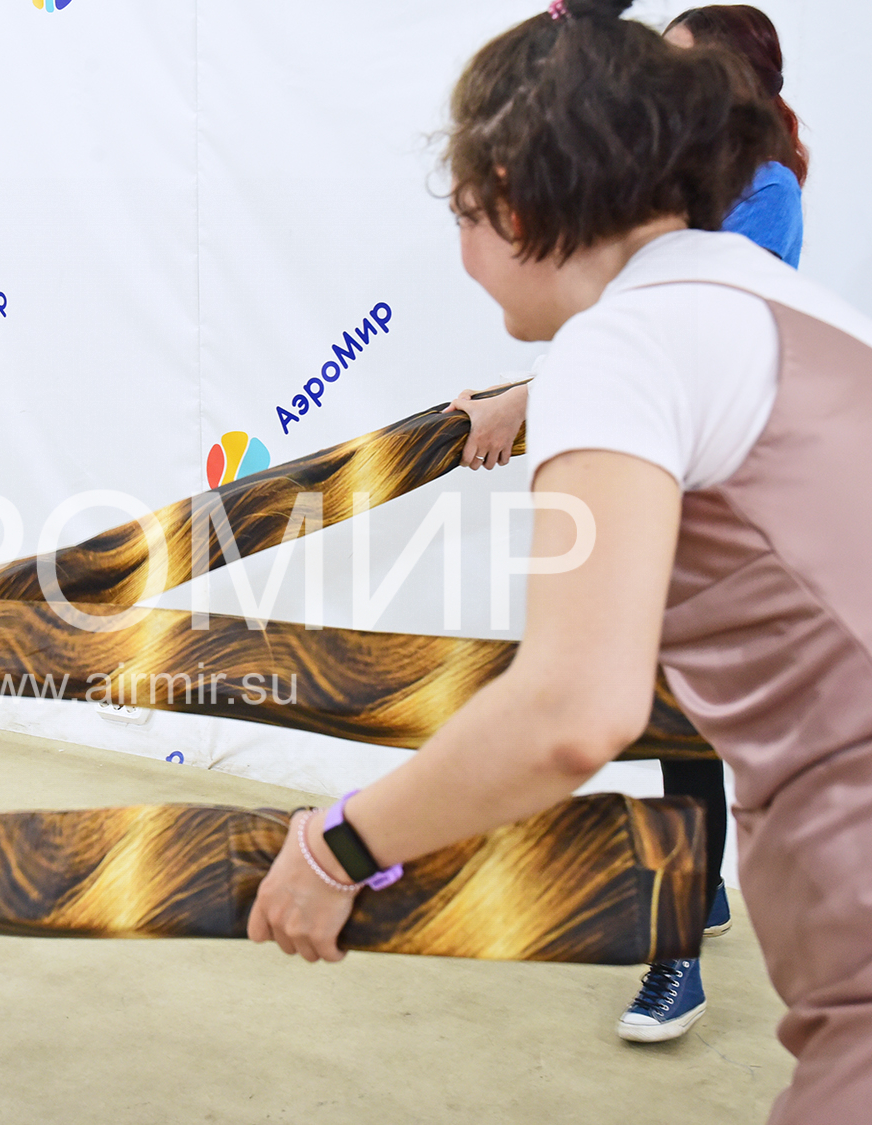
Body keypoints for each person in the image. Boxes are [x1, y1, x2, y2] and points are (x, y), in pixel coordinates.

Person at [247, 3, 872, 1121]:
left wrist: (337, 847)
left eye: (460, 211)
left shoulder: (623, 341)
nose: (463, 254)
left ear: (513, 195)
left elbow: (573, 711)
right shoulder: (772, 299)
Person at [440, 2, 810, 1045]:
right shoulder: (664, 190)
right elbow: (611, 312)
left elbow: (667, 328)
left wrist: (341, 850)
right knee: (670, 712)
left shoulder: (763, 194)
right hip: (674, 473)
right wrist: (521, 391)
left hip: (722, 491)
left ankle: (675, 953)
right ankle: (696, 901)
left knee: (671, 710)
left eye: (677, 67)